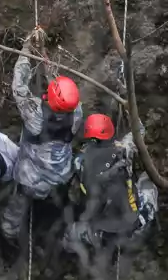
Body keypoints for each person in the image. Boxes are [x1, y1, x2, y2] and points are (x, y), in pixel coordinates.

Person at [0, 52, 83, 243]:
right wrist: (49, 66)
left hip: (31, 179)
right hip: (60, 174)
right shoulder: (77, 112)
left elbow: (19, 88)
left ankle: (9, 233)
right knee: (56, 200)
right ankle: (54, 219)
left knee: (18, 204)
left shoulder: (35, 114)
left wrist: (25, 53)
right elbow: (63, 95)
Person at [62, 113, 159, 264]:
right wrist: (128, 109)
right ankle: (139, 237)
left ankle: (70, 251)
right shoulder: (124, 150)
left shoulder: (80, 160)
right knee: (149, 180)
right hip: (130, 223)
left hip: (97, 226)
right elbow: (139, 129)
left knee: (73, 232)